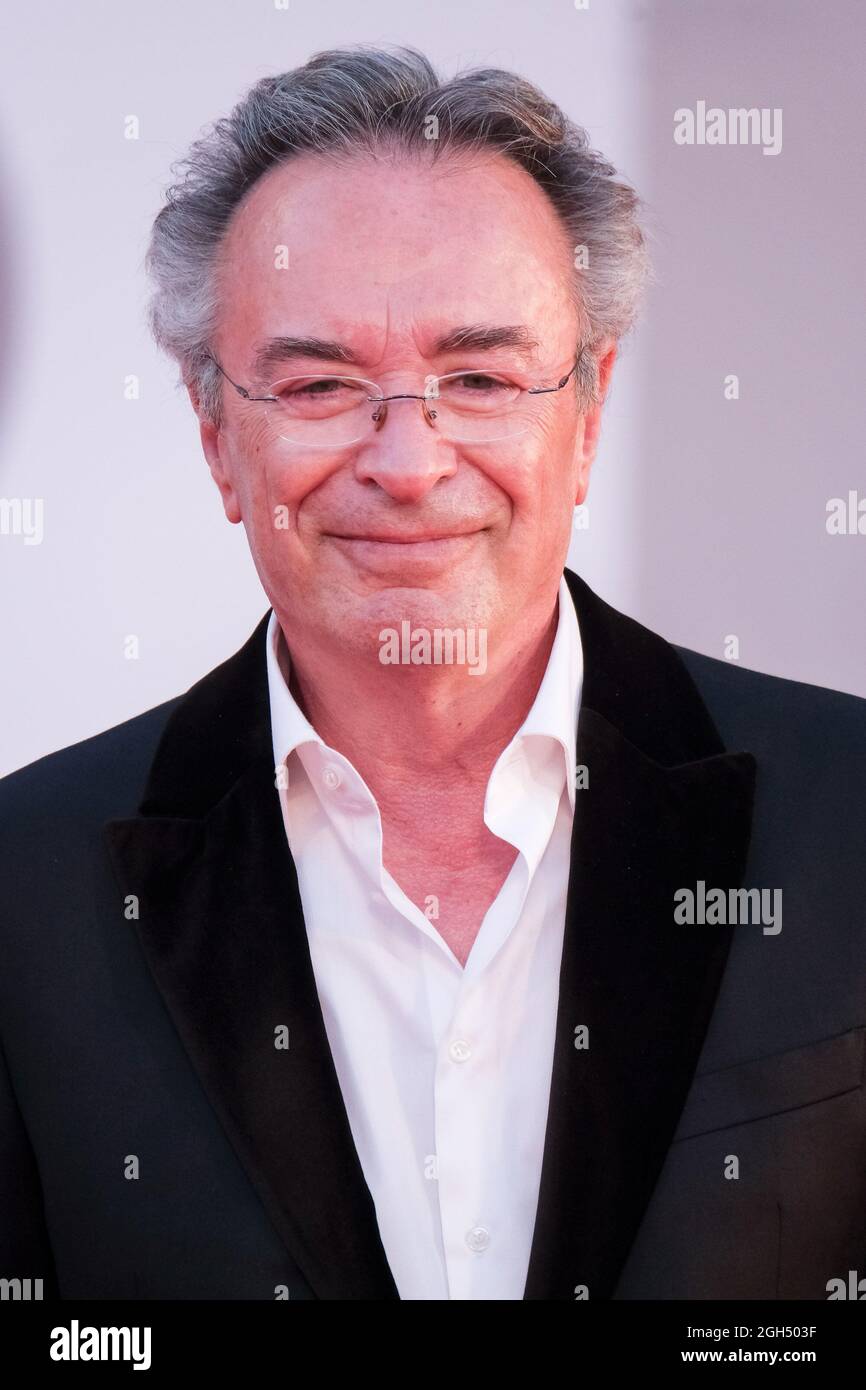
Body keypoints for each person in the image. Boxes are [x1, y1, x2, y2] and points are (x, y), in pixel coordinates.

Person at [1, 45, 864, 1302]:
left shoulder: (847, 814)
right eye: (318, 383)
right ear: (213, 435)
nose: (407, 460)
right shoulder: (25, 887)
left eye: (477, 377)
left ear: (586, 410)